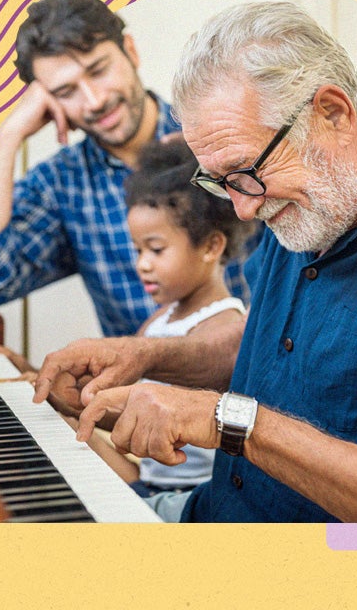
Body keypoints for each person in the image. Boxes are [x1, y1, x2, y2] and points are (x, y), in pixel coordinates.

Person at [36, 1, 357, 523]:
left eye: (245, 173)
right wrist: (149, 357)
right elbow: (273, 347)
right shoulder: (312, 201)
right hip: (217, 510)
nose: (242, 207)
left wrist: (228, 421)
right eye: (219, 181)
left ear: (332, 111)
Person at [0, 0, 251, 339]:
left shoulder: (213, 137)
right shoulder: (62, 184)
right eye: (65, 91)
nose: (94, 101)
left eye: (98, 70)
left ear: (130, 51)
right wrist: (7, 138)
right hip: (134, 389)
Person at [119, 139, 255, 497]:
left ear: (211, 246)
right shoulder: (160, 320)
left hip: (190, 493)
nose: (142, 264)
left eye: (156, 249)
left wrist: (77, 400)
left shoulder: (224, 326)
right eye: (138, 250)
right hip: (151, 479)